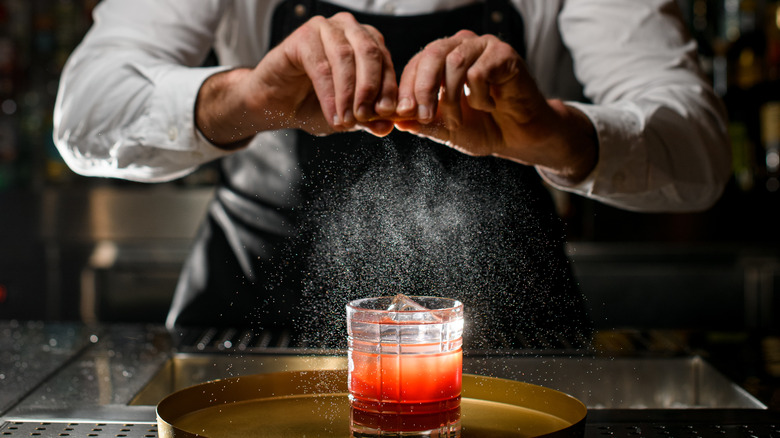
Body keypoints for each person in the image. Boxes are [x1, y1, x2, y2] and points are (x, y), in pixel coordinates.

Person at [53, 0, 730, 349]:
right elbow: (85, 112)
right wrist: (248, 98)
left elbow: (699, 153)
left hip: (511, 342)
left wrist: (556, 134)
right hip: (250, 329)